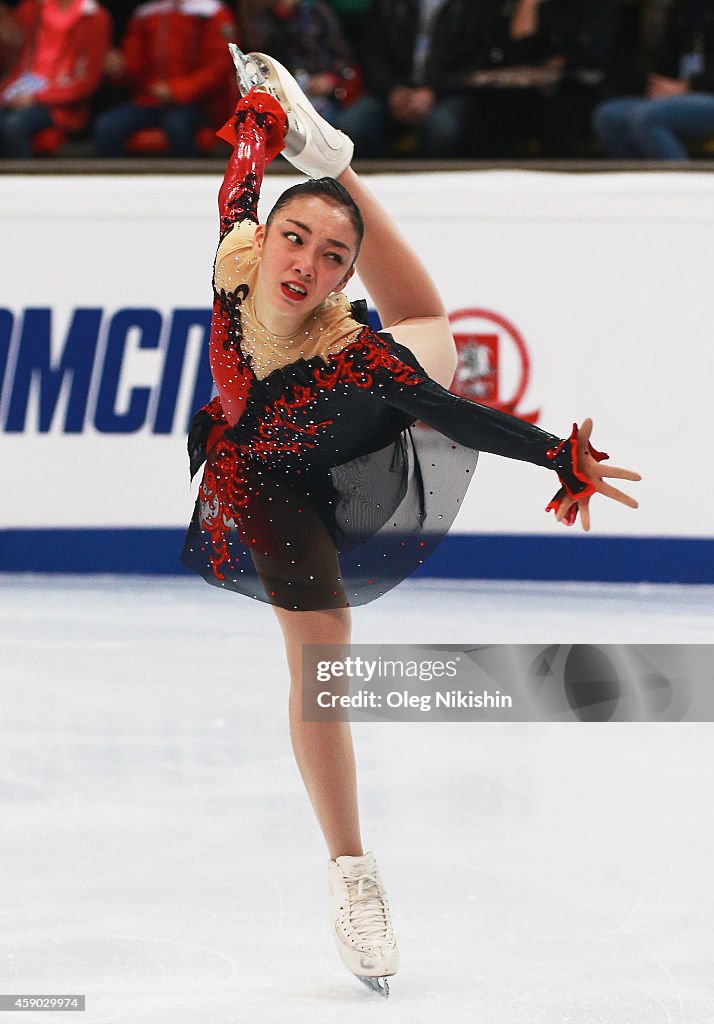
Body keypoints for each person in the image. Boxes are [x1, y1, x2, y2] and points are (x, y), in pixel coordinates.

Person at [180, 48, 640, 992]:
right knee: (323, 657)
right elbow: (240, 180)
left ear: (346, 277)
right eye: (294, 238)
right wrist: (259, 115)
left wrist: (560, 454)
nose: (306, 262)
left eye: (334, 255)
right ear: (263, 241)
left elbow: (462, 416)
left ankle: (336, 157)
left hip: (348, 426)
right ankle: (355, 875)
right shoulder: (234, 253)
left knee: (433, 335)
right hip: (262, 474)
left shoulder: (358, 354)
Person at [93, 0, 237, 158]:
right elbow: (135, 65)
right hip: (151, 100)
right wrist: (120, 67)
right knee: (107, 125)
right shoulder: (147, 12)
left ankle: (188, 181)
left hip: (199, 104)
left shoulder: (211, 12)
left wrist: (175, 90)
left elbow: (218, 69)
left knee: (177, 125)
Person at [593, 0, 714, 160]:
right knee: (609, 116)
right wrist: (658, 85)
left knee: (648, 117)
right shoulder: (683, 9)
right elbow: (666, 63)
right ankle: (637, 182)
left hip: (705, 93)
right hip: (678, 96)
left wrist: (688, 86)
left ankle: (683, 182)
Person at [0, 0, 110, 158]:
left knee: (13, 125)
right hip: (23, 86)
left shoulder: (94, 16)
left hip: (60, 103)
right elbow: (13, 59)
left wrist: (37, 97)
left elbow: (87, 83)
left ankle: (24, 181)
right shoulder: (31, 8)